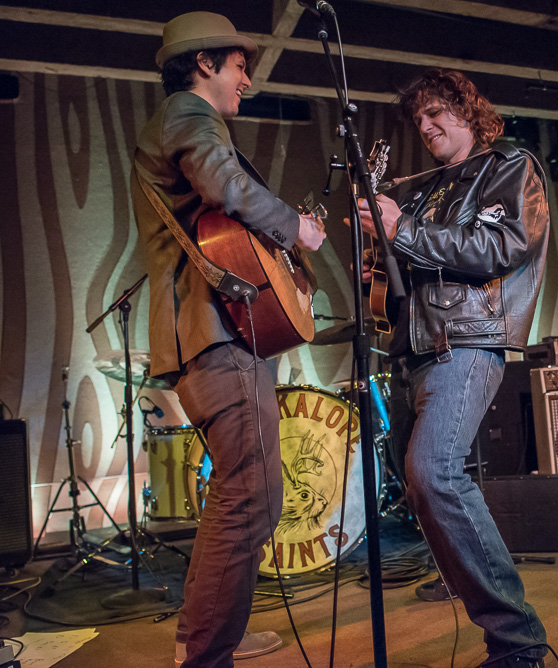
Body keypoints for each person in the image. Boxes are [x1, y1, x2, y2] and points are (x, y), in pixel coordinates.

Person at [131, 12, 326, 667]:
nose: (247, 79)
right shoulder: (189, 114)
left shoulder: (185, 123)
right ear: (204, 64)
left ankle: (205, 634)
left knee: (243, 493)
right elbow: (228, 186)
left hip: (211, 338)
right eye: (240, 65)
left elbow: (222, 211)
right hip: (213, 336)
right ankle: (206, 654)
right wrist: (294, 227)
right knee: (251, 496)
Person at [353, 69, 549, 666]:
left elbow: (499, 248)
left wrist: (402, 229)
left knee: (434, 472)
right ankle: (499, 622)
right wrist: (377, 261)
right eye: (420, 118)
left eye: (438, 111)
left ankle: (518, 642)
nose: (427, 124)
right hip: (415, 349)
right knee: (420, 484)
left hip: (467, 339)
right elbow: (408, 266)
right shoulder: (426, 189)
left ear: (470, 110)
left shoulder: (509, 167)